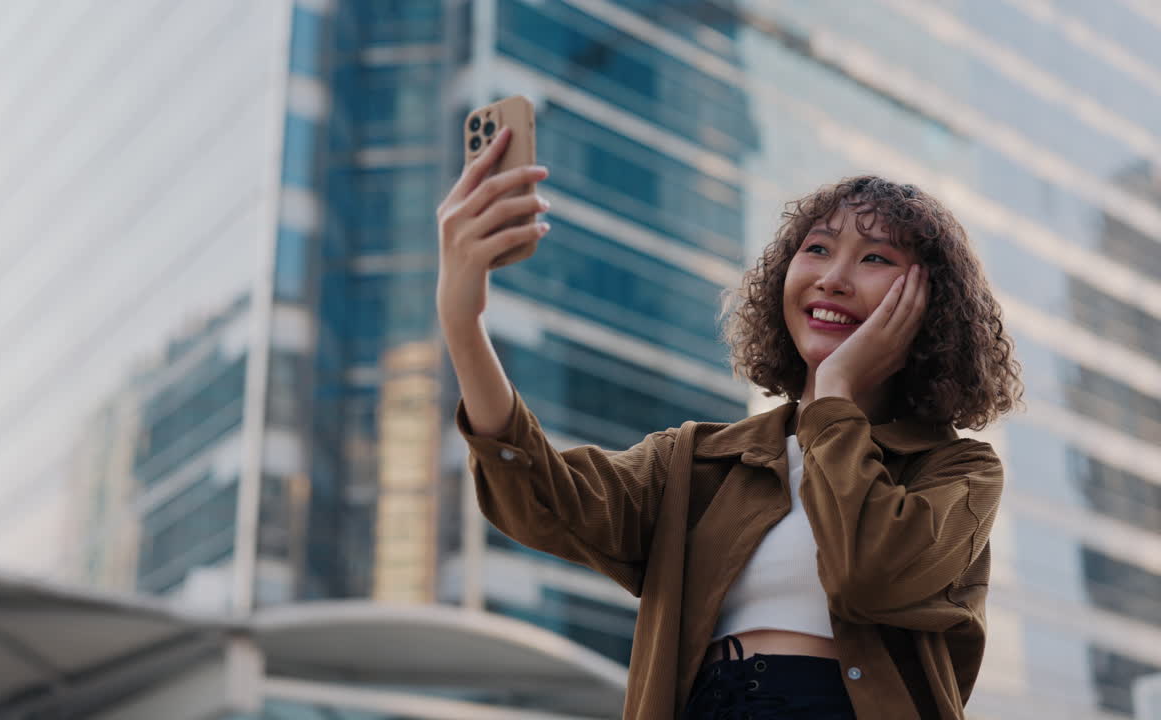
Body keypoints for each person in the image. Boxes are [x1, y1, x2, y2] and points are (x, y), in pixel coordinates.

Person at [436, 128, 1023, 719]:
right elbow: (543, 499)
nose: (833, 278)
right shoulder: (695, 462)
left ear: (930, 307)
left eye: (874, 258)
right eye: (817, 249)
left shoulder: (958, 472)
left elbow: (868, 575)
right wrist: (464, 322)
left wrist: (835, 396)